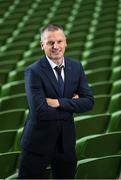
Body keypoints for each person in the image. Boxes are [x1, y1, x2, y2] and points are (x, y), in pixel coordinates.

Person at [18, 24, 94, 179]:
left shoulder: (76, 66)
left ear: (66, 42)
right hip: (37, 144)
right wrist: (72, 106)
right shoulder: (33, 72)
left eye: (59, 41)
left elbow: (88, 102)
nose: (56, 46)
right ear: (42, 45)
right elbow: (40, 111)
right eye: (50, 43)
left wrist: (59, 103)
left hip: (65, 144)